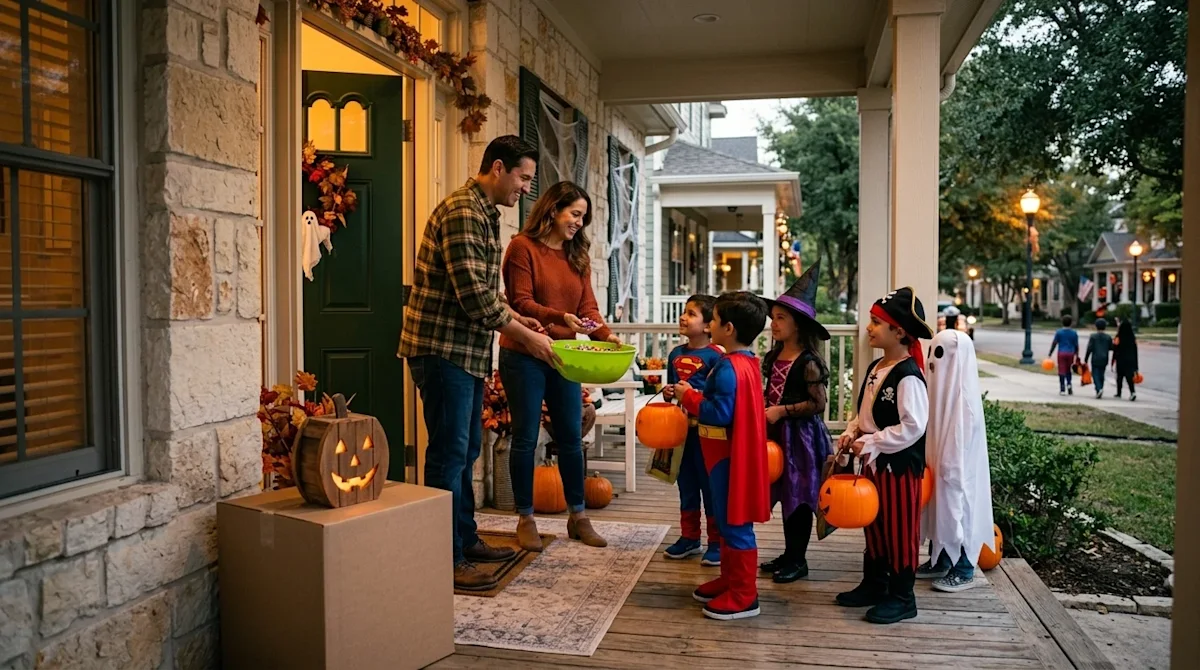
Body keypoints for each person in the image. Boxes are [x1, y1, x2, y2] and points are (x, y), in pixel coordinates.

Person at [399, 135, 560, 592]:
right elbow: (474, 299)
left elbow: (487, 294)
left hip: (465, 354)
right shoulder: (463, 212)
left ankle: (465, 540)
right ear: (498, 168)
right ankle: (444, 558)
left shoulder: (485, 213)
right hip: (441, 351)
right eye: (523, 178)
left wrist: (519, 316)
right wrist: (529, 339)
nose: (526, 188)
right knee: (449, 455)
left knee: (466, 450)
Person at [500, 180, 618, 551]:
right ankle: (525, 517)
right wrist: (559, 317)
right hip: (524, 353)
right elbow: (520, 302)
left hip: (565, 357)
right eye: (575, 214)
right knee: (525, 436)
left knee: (570, 436)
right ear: (553, 210)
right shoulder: (522, 247)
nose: (579, 223)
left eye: (583, 217)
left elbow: (588, 308)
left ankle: (578, 516)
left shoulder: (576, 256)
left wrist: (606, 336)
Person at [836, 286, 933, 625]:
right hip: (875, 463)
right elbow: (865, 413)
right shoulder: (878, 366)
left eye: (877, 322)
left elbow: (913, 426)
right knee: (875, 525)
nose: (869, 328)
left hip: (899, 468)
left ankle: (903, 596)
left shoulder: (908, 376)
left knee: (898, 529)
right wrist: (853, 431)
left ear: (900, 331)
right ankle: (875, 583)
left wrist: (874, 441)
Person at [674, 292, 770, 620]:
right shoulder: (745, 362)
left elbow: (719, 413)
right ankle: (731, 580)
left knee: (735, 523)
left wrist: (689, 397)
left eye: (713, 320)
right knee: (729, 521)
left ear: (728, 328)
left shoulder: (728, 367)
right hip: (727, 453)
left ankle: (744, 595)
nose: (710, 325)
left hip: (727, 457)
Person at [758, 262, 832, 584]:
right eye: (773, 317)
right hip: (776, 435)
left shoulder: (809, 363)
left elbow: (818, 404)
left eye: (780, 318)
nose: (773, 324)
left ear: (798, 325)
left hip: (801, 438)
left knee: (800, 495)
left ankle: (799, 559)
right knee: (785, 493)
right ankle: (789, 553)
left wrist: (782, 411)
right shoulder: (774, 357)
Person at [919, 328, 995, 593]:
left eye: (939, 353)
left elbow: (960, 441)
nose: (932, 360)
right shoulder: (937, 390)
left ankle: (964, 569)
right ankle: (940, 559)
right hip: (937, 466)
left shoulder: (965, 401)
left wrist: (949, 468)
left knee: (958, 512)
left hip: (956, 472)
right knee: (938, 511)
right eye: (931, 352)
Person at [660, 294, 725, 565]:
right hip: (680, 433)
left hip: (707, 433)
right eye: (684, 312)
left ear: (709, 326)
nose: (683, 317)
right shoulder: (675, 354)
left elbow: (719, 395)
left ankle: (716, 542)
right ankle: (689, 537)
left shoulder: (717, 357)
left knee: (710, 487)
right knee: (686, 485)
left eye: (691, 313)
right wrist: (668, 392)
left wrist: (694, 395)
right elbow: (672, 389)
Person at [1048, 315, 1080, 395]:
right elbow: (1076, 345)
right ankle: (1069, 384)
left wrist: (1050, 353)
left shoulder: (1059, 332)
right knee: (1068, 369)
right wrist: (1077, 354)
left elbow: (1054, 343)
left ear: (1062, 322)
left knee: (1061, 370)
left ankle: (1062, 388)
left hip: (1061, 353)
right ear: (1071, 323)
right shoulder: (1074, 333)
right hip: (1070, 353)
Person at [1085, 318, 1114, 399]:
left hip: (1095, 358)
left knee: (1095, 374)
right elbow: (1111, 347)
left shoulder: (1093, 336)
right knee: (1101, 374)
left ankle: (1099, 388)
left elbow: (1089, 348)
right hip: (1104, 358)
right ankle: (1101, 387)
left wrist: (1086, 358)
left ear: (1096, 326)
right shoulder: (1108, 337)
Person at [1113, 318, 1139, 401]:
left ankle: (1119, 393)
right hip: (1130, 359)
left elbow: (1115, 348)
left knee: (1119, 377)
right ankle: (1132, 392)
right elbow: (1135, 351)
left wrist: (1113, 360)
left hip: (1120, 359)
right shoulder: (1132, 338)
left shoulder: (1118, 337)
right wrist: (1136, 365)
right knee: (1129, 377)